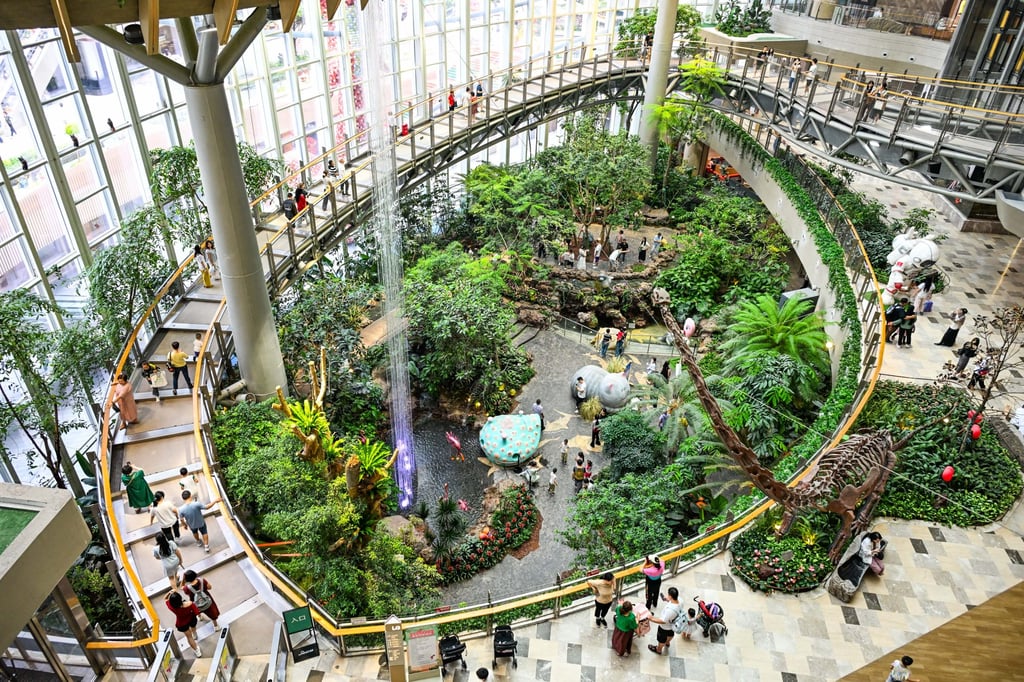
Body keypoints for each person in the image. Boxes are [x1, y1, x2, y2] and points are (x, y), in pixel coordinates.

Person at [165, 591, 202, 657]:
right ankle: (195, 634)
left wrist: (169, 593)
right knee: (193, 627)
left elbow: (165, 599)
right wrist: (199, 616)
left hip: (182, 623)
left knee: (189, 637)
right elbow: (197, 612)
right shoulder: (190, 604)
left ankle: (197, 651)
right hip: (191, 618)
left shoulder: (172, 607)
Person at [648, 586, 681, 655]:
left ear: (671, 596)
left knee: (661, 639)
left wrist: (651, 619)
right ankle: (667, 642)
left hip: (664, 627)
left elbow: (663, 621)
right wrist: (668, 600)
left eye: (668, 595)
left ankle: (658, 649)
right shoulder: (680, 601)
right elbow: (673, 602)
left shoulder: (670, 611)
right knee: (671, 634)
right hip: (672, 625)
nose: (667, 596)